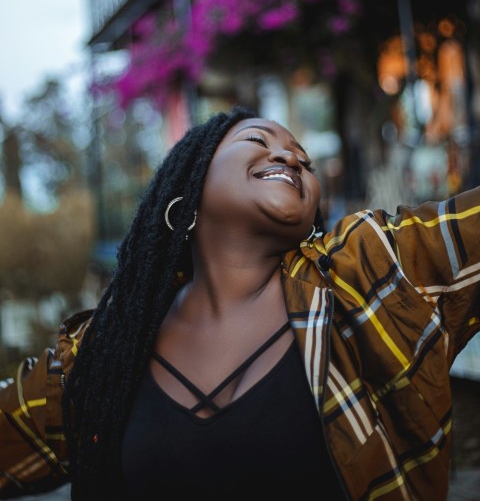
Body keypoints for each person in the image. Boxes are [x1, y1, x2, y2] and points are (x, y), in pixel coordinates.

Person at [1, 105, 479, 500]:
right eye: (258, 140)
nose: (291, 159)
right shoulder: (102, 351)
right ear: (187, 185)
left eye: (304, 161)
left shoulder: (364, 270)